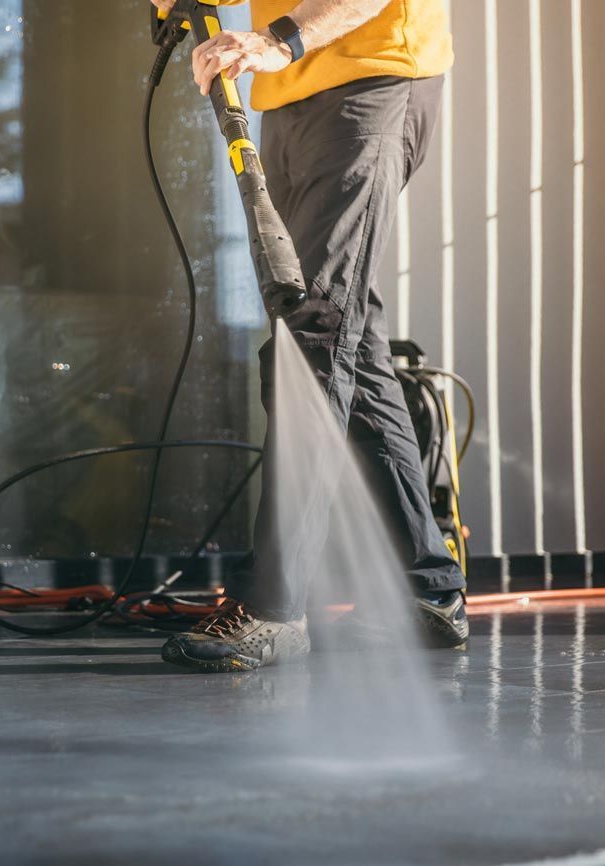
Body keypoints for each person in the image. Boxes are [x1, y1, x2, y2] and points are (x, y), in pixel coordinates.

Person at [155, 0, 468, 672]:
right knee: (349, 336)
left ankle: (274, 607)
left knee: (314, 335)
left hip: (371, 83)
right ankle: (429, 586)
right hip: (292, 99)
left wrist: (280, 40)